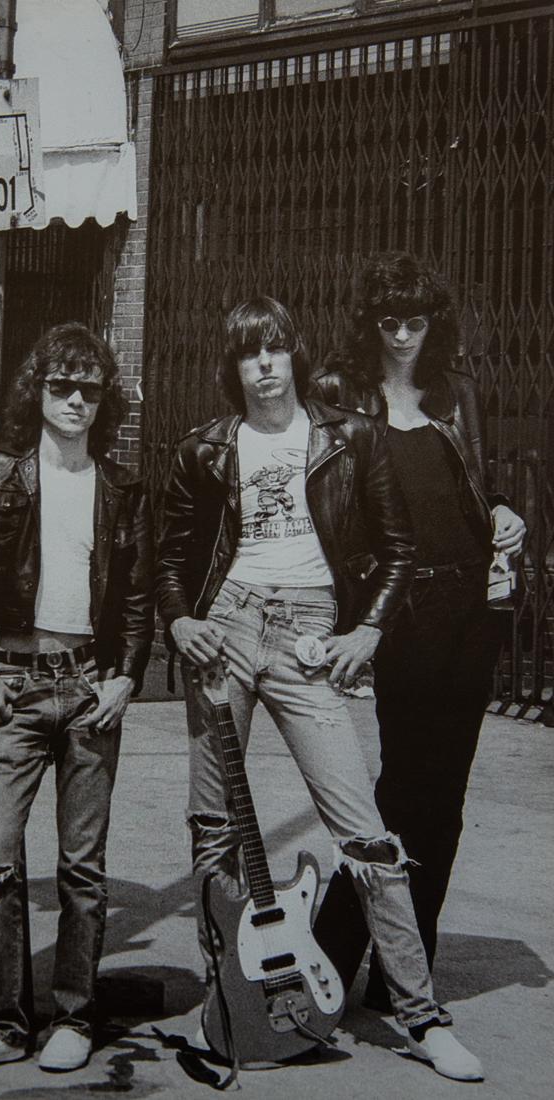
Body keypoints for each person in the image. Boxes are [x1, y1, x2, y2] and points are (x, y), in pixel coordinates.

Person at [156, 296, 485, 1081]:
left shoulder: (348, 434)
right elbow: (168, 555)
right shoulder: (204, 448)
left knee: (367, 835)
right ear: (231, 367)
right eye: (248, 354)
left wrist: (366, 630)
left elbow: (398, 547)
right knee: (214, 828)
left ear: (294, 356)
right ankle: (230, 994)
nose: (263, 366)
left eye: (274, 350)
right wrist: (178, 622)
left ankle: (421, 1014)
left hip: (308, 638)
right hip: (227, 630)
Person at [311, 252, 526, 1012]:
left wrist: (503, 511)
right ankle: (337, 955)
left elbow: (477, 483)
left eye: (416, 320)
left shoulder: (458, 393)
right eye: (389, 320)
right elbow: (329, 507)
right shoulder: (338, 395)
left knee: (447, 794)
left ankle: (405, 966)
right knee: (401, 790)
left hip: (470, 609)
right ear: (368, 322)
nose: (403, 335)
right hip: (399, 612)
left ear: (434, 323)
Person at [0, 323, 153, 1076]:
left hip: (89, 685)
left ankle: (74, 1016)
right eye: (61, 386)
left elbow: (134, 596)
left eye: (89, 389)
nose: (74, 401)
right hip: (15, 685)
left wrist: (127, 674)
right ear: (37, 391)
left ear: (105, 401)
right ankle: (2, 1025)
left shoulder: (123, 487)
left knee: (82, 868)